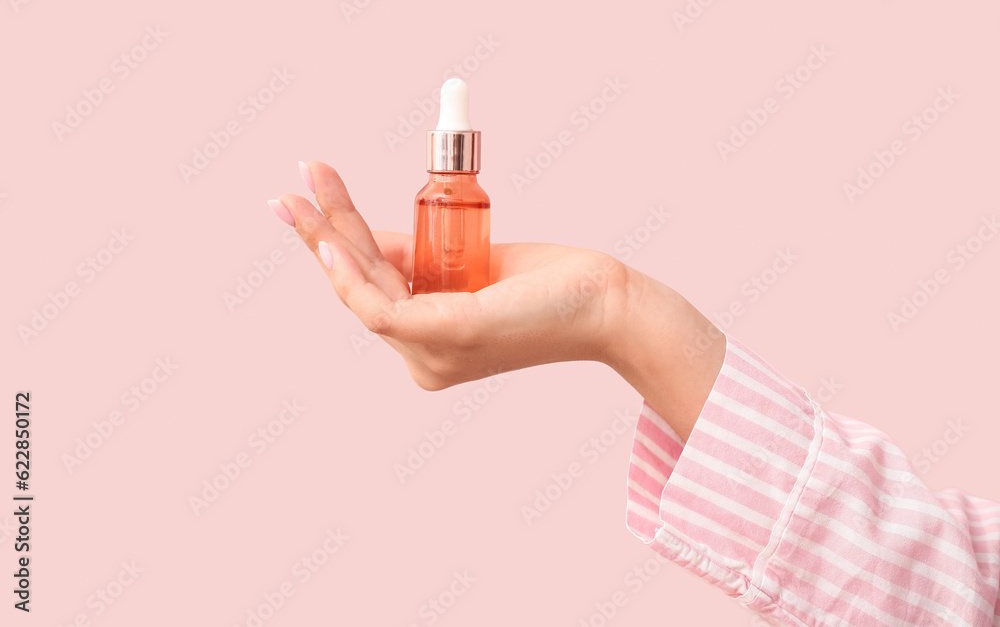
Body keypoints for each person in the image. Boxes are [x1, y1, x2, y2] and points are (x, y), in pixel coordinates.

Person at [268, 161, 1000, 626]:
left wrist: (616, 312)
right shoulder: (447, 194)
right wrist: (613, 304)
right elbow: (945, 580)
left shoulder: (460, 195)